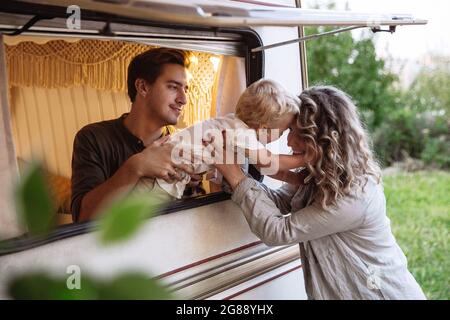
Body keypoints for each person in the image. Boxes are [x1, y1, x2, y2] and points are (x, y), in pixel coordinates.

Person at [214, 85, 426, 300]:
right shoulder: (321, 176)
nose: (288, 142)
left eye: (298, 134)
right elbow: (280, 201)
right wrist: (234, 174)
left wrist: (235, 175)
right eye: (289, 131)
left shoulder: (356, 194)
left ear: (322, 139)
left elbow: (279, 231)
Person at [70, 48, 196, 222]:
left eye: (186, 89)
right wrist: (136, 167)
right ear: (143, 87)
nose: (184, 99)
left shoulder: (183, 144)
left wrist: (193, 186)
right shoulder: (93, 138)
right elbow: (84, 218)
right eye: (173, 87)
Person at [135, 79, 307, 199]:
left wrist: (294, 179)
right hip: (160, 179)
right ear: (264, 128)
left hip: (162, 173)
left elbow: (267, 168)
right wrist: (306, 157)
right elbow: (269, 162)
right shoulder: (241, 133)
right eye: (283, 131)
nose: (283, 137)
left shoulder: (232, 125)